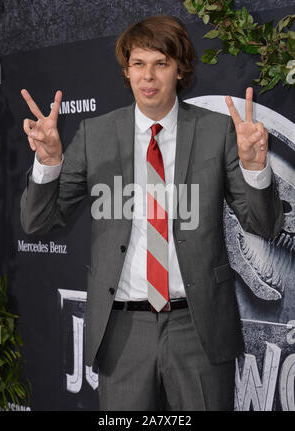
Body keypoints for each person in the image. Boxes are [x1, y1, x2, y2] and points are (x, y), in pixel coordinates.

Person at [20, 15, 284, 411]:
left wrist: (254, 168)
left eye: (161, 63)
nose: (149, 76)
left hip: (198, 329)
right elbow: (37, 221)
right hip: (122, 330)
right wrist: (49, 163)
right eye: (139, 64)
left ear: (180, 69)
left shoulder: (218, 131)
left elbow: (263, 222)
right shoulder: (97, 134)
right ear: (126, 71)